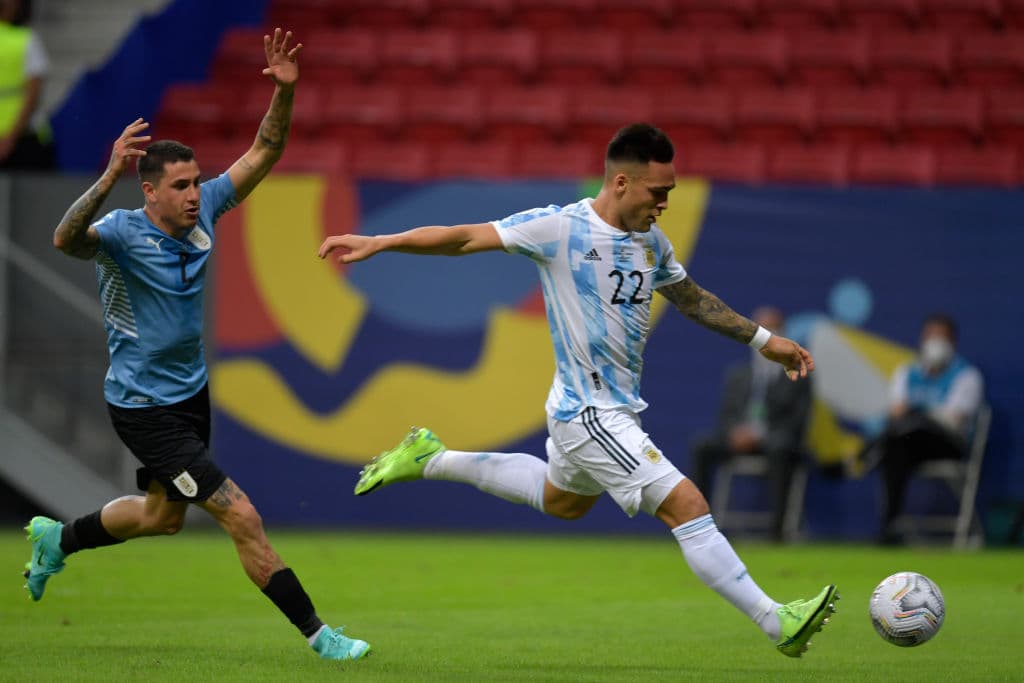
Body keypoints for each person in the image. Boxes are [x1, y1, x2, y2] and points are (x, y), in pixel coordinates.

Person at [319, 124, 838, 658]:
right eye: (657, 193)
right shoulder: (560, 228)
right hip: (588, 413)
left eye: (671, 194)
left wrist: (764, 340)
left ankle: (431, 458)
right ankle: (777, 621)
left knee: (562, 502)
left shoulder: (651, 242)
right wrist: (382, 241)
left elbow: (690, 299)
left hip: (606, 411)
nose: (664, 204)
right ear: (620, 183)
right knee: (685, 503)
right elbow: (464, 237)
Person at [23, 29, 369, 662]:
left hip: (189, 393)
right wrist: (107, 176)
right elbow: (64, 240)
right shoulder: (122, 232)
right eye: (179, 186)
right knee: (242, 516)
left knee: (163, 517)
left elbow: (265, 149)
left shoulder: (206, 209)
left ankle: (58, 541)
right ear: (148, 191)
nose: (193, 194)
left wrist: (284, 95)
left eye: (195, 182)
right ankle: (322, 637)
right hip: (144, 407)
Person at [689, 306, 813, 541]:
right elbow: (726, 416)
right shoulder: (738, 375)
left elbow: (797, 421)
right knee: (702, 446)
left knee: (781, 447)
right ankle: (699, 526)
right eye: (760, 329)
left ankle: (778, 533)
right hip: (739, 438)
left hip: (776, 441)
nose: (765, 334)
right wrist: (736, 433)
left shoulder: (798, 375)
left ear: (782, 335)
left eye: (772, 329)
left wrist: (761, 435)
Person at [860, 314, 984, 544]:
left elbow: (954, 419)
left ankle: (866, 454)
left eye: (941, 337)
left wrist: (918, 413)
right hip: (908, 445)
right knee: (897, 448)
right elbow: (896, 411)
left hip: (947, 444)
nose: (935, 343)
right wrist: (921, 413)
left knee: (900, 438)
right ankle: (890, 527)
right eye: (931, 336)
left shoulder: (967, 375)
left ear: (952, 342)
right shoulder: (908, 372)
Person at [0, 0, 55, 170]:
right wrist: (11, 138)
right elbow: (34, 93)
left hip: (19, 137)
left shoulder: (24, 39)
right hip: (23, 138)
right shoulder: (25, 39)